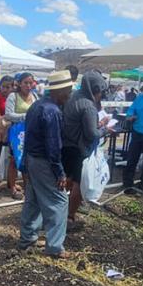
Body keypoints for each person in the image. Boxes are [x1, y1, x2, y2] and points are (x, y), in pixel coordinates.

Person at [16, 70, 74, 258]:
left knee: (33, 200)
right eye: (68, 91)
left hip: (32, 159)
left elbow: (29, 136)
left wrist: (24, 163)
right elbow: (53, 146)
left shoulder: (36, 105)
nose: (69, 95)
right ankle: (55, 247)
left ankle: (27, 239)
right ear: (59, 91)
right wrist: (60, 172)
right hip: (44, 162)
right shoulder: (52, 111)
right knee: (59, 201)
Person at [63, 71, 109, 226]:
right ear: (96, 89)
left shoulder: (72, 97)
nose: (101, 95)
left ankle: (59, 211)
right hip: (79, 149)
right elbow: (91, 134)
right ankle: (69, 217)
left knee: (65, 180)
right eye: (101, 91)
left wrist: (99, 124)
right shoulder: (88, 106)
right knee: (78, 183)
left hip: (65, 145)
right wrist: (105, 130)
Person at [4, 72, 38, 199]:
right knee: (14, 159)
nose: (28, 86)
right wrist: (26, 116)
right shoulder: (13, 96)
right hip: (16, 132)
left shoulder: (34, 96)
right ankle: (13, 187)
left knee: (28, 159)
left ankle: (27, 186)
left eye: (30, 83)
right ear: (19, 83)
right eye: (25, 83)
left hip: (31, 131)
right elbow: (8, 115)